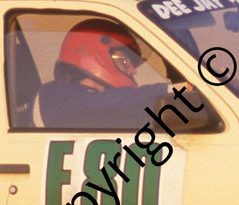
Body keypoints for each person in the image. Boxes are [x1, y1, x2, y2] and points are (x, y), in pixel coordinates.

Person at [34, 19, 173, 128]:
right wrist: (171, 91)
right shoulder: (53, 95)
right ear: (94, 54)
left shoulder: (111, 103)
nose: (133, 70)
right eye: (124, 61)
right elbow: (105, 105)